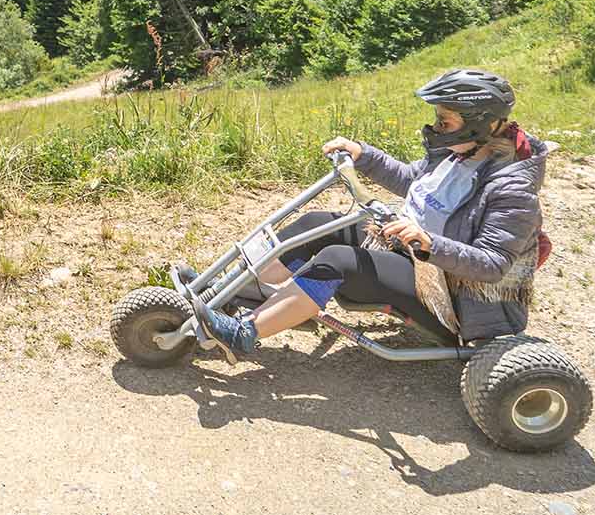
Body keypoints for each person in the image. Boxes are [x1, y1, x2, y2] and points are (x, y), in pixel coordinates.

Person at [194, 69, 549, 357]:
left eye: (445, 122)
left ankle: (243, 334)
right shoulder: (459, 152)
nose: (435, 128)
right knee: (316, 224)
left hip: (454, 296)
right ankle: (233, 293)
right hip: (411, 255)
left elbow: (493, 263)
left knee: (338, 260)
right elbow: (413, 181)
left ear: (479, 122)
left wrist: (429, 242)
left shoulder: (512, 188)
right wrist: (363, 154)